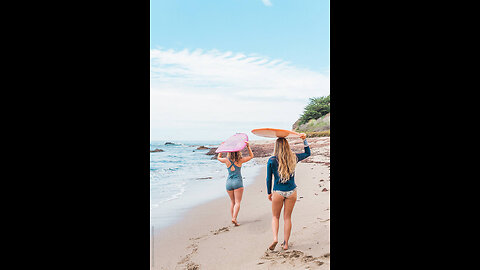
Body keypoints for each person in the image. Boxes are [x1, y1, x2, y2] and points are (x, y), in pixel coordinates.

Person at [266, 133, 310, 250]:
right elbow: (307, 153)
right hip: (292, 192)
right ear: (287, 146)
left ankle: (275, 238)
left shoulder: (272, 160)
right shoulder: (293, 157)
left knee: (275, 217)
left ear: (276, 147)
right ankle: (285, 244)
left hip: (278, 192)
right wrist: (304, 140)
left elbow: (268, 178)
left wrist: (269, 192)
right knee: (287, 218)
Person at [217, 141, 254, 226]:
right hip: (238, 183)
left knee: (232, 202)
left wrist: (221, 149)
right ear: (238, 152)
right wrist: (248, 147)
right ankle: (234, 218)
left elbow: (218, 158)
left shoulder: (226, 160)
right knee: (237, 202)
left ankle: (234, 218)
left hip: (229, 183)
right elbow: (251, 156)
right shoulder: (240, 160)